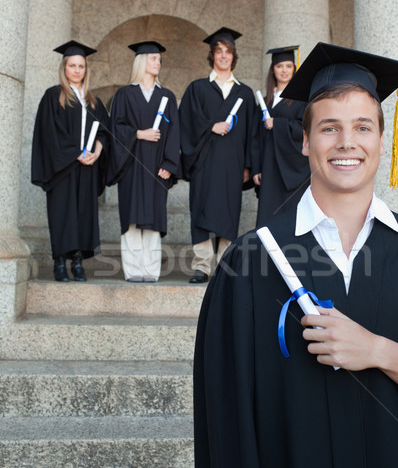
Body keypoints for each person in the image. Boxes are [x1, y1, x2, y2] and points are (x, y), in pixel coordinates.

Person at [194, 43, 398, 468]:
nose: (348, 142)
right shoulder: (248, 265)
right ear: (304, 142)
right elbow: (229, 423)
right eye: (329, 127)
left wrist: (380, 352)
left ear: (383, 140)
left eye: (363, 126)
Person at [179, 27, 256, 284]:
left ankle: (223, 266)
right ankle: (201, 266)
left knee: (228, 213)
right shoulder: (197, 89)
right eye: (218, 51)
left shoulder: (244, 94)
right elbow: (186, 122)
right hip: (203, 161)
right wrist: (211, 126)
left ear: (234, 57)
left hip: (232, 165)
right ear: (211, 56)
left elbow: (251, 135)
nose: (223, 56)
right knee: (200, 211)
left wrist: (247, 165)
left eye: (228, 52)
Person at [31, 40, 110, 282]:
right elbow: (50, 133)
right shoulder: (54, 96)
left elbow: (104, 130)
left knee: (83, 214)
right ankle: (59, 263)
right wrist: (75, 153)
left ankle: (77, 262)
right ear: (64, 68)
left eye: (81, 66)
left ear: (86, 69)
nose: (77, 70)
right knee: (63, 213)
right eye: (72, 65)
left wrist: (97, 151)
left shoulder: (92, 101)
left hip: (87, 168)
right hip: (63, 168)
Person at [107, 41, 181, 282]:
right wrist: (139, 134)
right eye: (153, 59)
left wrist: (170, 164)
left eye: (159, 59)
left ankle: (150, 270)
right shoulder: (124, 94)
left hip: (157, 166)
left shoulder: (166, 97)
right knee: (131, 219)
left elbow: (174, 134)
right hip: (131, 166)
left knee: (152, 219)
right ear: (141, 62)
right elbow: (115, 128)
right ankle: (132, 270)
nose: (158, 63)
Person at [252, 46, 310, 226]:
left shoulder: (302, 99)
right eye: (279, 66)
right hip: (269, 166)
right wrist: (256, 167)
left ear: (294, 69)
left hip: (291, 168)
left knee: (291, 214)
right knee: (269, 214)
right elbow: (256, 137)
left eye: (288, 66)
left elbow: (306, 129)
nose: (284, 70)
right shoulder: (267, 99)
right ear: (273, 70)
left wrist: (277, 124)